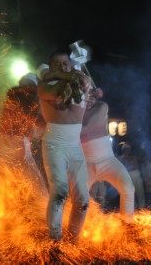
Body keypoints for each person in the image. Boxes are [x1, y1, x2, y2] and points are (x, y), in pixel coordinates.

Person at [37, 50, 92, 241]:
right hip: (54, 144)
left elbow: (85, 82)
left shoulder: (81, 83)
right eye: (58, 65)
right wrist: (60, 76)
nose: (63, 67)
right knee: (60, 191)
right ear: (50, 67)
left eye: (66, 64)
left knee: (83, 200)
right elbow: (55, 92)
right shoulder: (44, 86)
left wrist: (57, 73)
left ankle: (73, 240)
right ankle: (55, 241)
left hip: (74, 147)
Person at [81, 91, 136, 221]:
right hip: (86, 165)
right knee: (78, 198)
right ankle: (83, 227)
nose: (88, 98)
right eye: (84, 94)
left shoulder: (101, 107)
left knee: (128, 188)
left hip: (108, 162)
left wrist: (70, 127)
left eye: (90, 93)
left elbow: (88, 126)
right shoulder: (74, 112)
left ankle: (127, 223)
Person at [117, 142, 145, 209]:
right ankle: (134, 207)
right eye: (125, 149)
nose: (127, 151)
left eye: (128, 149)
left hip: (136, 175)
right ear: (123, 150)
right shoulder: (121, 159)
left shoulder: (133, 157)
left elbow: (138, 164)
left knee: (140, 192)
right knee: (130, 193)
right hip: (127, 176)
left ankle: (142, 207)